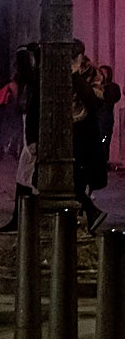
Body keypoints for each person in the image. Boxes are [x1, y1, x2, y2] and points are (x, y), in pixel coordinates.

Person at [0, 44, 40, 234]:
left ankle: (23, 219)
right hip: (32, 136)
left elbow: (28, 72)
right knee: (24, 178)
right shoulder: (34, 81)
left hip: (36, 139)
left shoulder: (39, 78)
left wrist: (24, 52)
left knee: (28, 179)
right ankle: (20, 218)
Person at [71, 39, 107, 232]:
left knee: (78, 179)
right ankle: (83, 215)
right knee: (71, 179)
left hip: (85, 132)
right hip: (67, 132)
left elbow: (93, 100)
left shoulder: (92, 73)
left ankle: (90, 213)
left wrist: (76, 74)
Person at [99, 64, 120, 164]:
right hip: (97, 119)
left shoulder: (112, 87)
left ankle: (104, 160)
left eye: (103, 73)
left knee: (104, 140)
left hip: (105, 120)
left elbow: (114, 96)